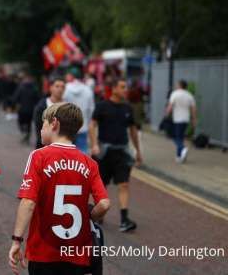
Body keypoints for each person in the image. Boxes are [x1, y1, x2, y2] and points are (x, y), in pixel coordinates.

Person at [9, 102, 110, 275]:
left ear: (54, 123)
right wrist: (89, 215)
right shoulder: (89, 163)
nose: (41, 130)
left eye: (43, 124)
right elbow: (104, 204)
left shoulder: (39, 156)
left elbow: (28, 202)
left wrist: (17, 240)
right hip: (77, 253)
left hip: (43, 251)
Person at [89, 78, 142, 232]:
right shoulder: (102, 106)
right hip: (104, 153)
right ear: (114, 89)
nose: (126, 90)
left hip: (122, 152)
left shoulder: (128, 108)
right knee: (101, 186)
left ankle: (124, 220)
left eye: (126, 87)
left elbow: (132, 130)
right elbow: (92, 125)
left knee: (124, 184)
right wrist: (94, 145)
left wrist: (137, 151)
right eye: (123, 87)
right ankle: (98, 215)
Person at [63, 70, 94, 154]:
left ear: (72, 76)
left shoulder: (65, 88)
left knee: (66, 155)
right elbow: (91, 110)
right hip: (82, 127)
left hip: (67, 128)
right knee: (81, 156)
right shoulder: (88, 90)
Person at [166, 80, 196, 163]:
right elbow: (193, 109)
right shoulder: (189, 95)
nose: (176, 85)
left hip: (177, 119)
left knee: (175, 137)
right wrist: (194, 120)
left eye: (177, 84)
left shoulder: (175, 94)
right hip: (186, 119)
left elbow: (170, 106)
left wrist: (166, 115)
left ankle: (183, 148)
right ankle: (179, 157)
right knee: (181, 137)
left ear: (180, 85)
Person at [32, 77, 65, 149]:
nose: (60, 89)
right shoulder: (41, 106)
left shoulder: (67, 107)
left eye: (62, 87)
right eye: (57, 86)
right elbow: (38, 127)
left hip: (62, 147)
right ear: (51, 88)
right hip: (44, 146)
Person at [12, 73, 40, 144]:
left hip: (22, 109)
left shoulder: (21, 88)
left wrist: (14, 105)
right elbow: (38, 99)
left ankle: (24, 131)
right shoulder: (34, 88)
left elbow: (15, 98)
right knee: (29, 123)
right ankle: (27, 133)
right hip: (31, 109)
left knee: (20, 121)